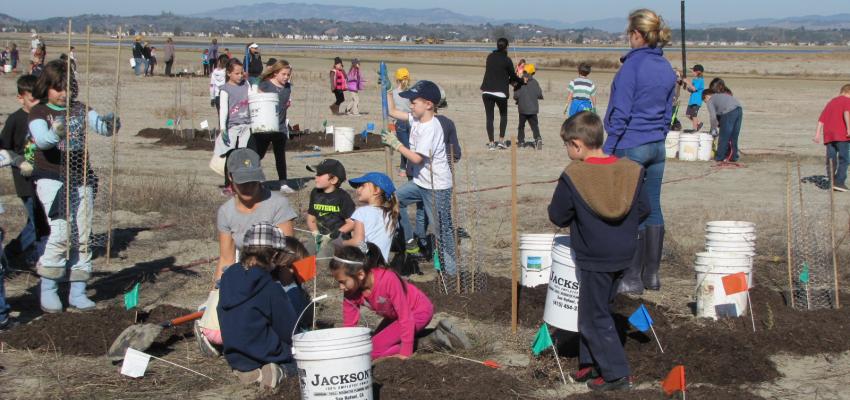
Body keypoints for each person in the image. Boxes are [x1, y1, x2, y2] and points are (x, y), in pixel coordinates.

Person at [549, 111, 649, 392]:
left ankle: (616, 374)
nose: (568, 150)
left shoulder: (575, 175)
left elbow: (558, 215)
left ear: (577, 144)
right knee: (600, 308)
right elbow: (644, 209)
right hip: (624, 252)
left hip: (594, 255)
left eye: (567, 145)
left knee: (593, 317)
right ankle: (590, 363)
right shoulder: (630, 169)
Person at [28, 60, 120, 312]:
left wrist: (110, 124)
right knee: (61, 232)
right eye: (58, 88)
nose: (64, 93)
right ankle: (49, 287)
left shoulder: (79, 109)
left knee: (82, 233)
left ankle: (78, 290)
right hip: (52, 176)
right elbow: (43, 142)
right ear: (46, 88)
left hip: (81, 176)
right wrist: (56, 132)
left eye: (68, 87)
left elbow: (101, 126)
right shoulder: (39, 113)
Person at [602, 8, 675, 294]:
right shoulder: (665, 67)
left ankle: (631, 278)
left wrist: (609, 149)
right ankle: (651, 276)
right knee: (653, 206)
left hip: (631, 144)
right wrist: (661, 134)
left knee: (628, 209)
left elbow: (620, 112)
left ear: (636, 34)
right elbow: (669, 108)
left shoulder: (631, 67)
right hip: (657, 145)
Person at [382, 80, 458, 276]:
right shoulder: (416, 119)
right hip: (419, 183)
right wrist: (388, 91)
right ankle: (409, 241)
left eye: (414, 102)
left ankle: (450, 273)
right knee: (394, 200)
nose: (410, 105)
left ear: (429, 105)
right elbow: (391, 111)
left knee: (441, 229)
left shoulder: (431, 128)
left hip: (437, 186)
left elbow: (416, 158)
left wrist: (395, 144)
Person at [218, 223, 299, 388]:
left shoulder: (227, 276)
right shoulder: (270, 287)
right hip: (266, 352)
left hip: (235, 355)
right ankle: (279, 371)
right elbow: (288, 330)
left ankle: (250, 372)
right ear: (274, 255)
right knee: (301, 362)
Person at [331, 243, 433, 360]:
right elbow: (349, 326)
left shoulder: (388, 280)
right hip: (395, 316)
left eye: (343, 282)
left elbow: (406, 317)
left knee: (371, 351)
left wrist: (406, 352)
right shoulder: (351, 291)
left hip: (417, 311)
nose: (340, 287)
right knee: (371, 344)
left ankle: (420, 343)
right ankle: (414, 337)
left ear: (360, 274)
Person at [215, 148, 297, 283]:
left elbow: (286, 257)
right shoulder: (226, 212)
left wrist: (285, 291)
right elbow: (226, 259)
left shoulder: (278, 204)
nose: (248, 187)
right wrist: (216, 294)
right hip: (246, 276)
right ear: (230, 177)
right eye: (242, 182)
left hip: (275, 277)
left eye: (253, 181)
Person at [0, 75, 47, 268]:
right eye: (32, 99)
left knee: (40, 218)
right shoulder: (15, 119)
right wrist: (19, 162)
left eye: (39, 98)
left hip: (44, 176)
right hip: (24, 179)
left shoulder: (44, 116)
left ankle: (22, 253)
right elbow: (4, 148)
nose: (36, 103)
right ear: (21, 98)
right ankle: (13, 254)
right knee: (37, 221)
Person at [251, 60, 294, 193]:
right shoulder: (265, 85)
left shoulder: (287, 88)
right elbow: (255, 100)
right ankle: (256, 180)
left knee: (280, 156)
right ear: (275, 73)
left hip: (280, 127)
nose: (286, 77)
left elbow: (284, 103)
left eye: (288, 75)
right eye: (284, 74)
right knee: (259, 154)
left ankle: (283, 183)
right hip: (264, 127)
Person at [305, 159, 355, 265]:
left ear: (333, 179)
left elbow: (351, 223)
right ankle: (305, 279)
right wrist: (316, 234)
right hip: (318, 235)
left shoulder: (343, 197)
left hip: (337, 238)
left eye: (319, 174)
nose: (316, 177)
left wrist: (332, 236)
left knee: (322, 257)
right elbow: (311, 219)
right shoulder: (315, 193)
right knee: (305, 253)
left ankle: (324, 278)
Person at [215, 59, 252, 193]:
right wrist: (223, 128)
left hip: (246, 126)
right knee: (231, 155)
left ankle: (243, 183)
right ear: (229, 73)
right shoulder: (225, 89)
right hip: (232, 126)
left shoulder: (246, 85)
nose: (240, 75)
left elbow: (252, 99)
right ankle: (228, 184)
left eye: (241, 73)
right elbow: (223, 110)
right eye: (237, 73)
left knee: (244, 155)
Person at [344, 172, 398, 262]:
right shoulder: (391, 215)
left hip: (365, 265)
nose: (358, 190)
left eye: (362, 186)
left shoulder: (362, 212)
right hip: (382, 265)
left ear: (377, 190)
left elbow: (359, 242)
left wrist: (341, 243)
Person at [480, 37, 522, 150]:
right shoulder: (507, 60)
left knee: (490, 117)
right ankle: (501, 141)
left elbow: (498, 72)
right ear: (506, 47)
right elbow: (512, 76)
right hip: (500, 93)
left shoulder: (490, 57)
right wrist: (521, 80)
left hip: (486, 91)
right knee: (503, 115)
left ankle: (491, 143)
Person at [813, 84, 850, 192]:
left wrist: (817, 135)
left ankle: (832, 181)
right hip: (841, 135)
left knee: (831, 159)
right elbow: (846, 113)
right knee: (844, 159)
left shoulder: (831, 102)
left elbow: (821, 119)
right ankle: (839, 182)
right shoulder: (846, 100)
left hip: (829, 136)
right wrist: (849, 129)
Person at [703, 78, 743, 164]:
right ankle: (733, 157)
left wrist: (713, 129)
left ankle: (719, 157)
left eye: (704, 100)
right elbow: (719, 117)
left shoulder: (710, 100)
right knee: (733, 136)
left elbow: (713, 117)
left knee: (723, 136)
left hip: (729, 111)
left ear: (706, 96)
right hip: (739, 109)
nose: (705, 102)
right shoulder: (722, 95)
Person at [514, 64, 544, 150]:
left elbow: (515, 96)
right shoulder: (535, 82)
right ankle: (538, 139)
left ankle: (521, 142)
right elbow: (539, 94)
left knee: (521, 126)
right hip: (533, 109)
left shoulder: (519, 81)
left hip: (523, 109)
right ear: (532, 73)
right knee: (534, 125)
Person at [393, 67, 413, 177]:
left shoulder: (393, 93)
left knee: (405, 147)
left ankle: (404, 169)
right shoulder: (411, 93)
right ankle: (403, 169)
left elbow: (390, 111)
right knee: (407, 146)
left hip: (400, 123)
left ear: (397, 80)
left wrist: (391, 129)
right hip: (410, 121)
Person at [683, 64, 705, 132]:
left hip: (697, 101)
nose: (692, 72)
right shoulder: (694, 80)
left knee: (694, 115)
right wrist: (685, 85)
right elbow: (690, 89)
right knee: (688, 115)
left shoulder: (700, 80)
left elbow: (694, 89)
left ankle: (694, 129)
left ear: (698, 72)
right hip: (691, 100)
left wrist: (688, 82)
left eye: (693, 71)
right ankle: (698, 123)